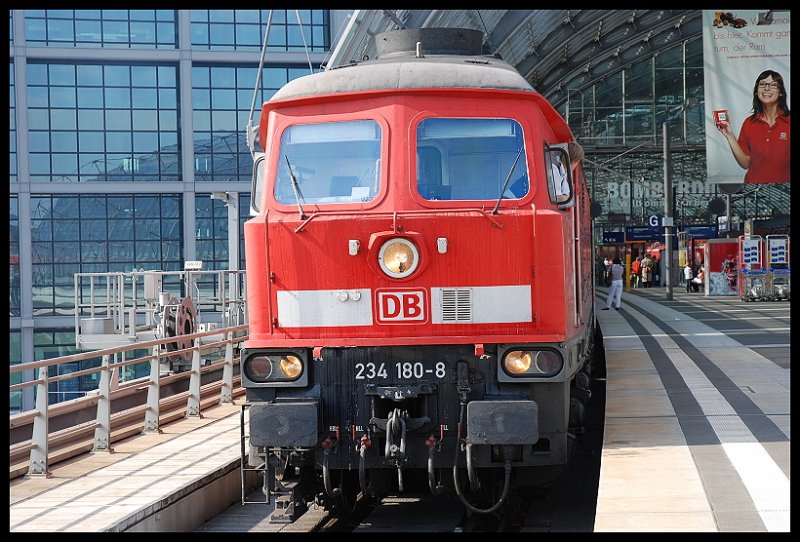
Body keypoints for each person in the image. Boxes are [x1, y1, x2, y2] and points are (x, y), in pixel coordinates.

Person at [716, 70, 790, 184]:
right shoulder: (749, 123)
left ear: (781, 92)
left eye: (773, 85)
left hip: (784, 191)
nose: (766, 88)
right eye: (762, 84)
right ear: (756, 92)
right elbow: (745, 164)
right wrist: (729, 136)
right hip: (754, 188)